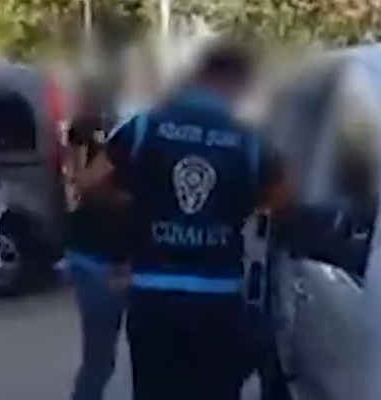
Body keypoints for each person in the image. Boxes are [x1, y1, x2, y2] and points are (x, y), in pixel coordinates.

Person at [77, 40, 283, 400]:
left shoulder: (146, 125)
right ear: (236, 83)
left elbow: (89, 182)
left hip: (154, 292)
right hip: (218, 295)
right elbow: (284, 196)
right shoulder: (249, 139)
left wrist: (137, 203)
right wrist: (238, 210)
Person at [65, 89, 132, 400]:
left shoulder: (133, 133)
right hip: (97, 256)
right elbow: (79, 183)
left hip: (119, 256)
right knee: (100, 359)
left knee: (105, 359)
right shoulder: (88, 130)